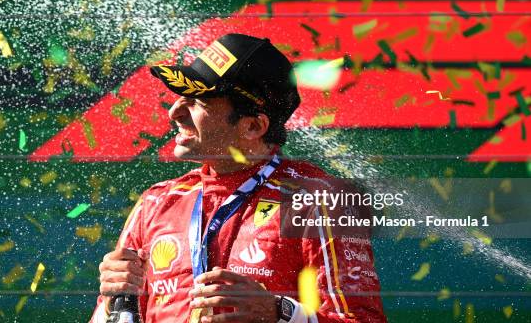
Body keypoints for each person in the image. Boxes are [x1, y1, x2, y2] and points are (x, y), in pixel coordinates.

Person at [90, 33, 386, 323]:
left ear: (253, 127)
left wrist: (279, 313)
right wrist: (117, 307)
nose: (175, 112)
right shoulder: (156, 203)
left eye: (198, 101)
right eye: (181, 97)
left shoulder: (318, 201)